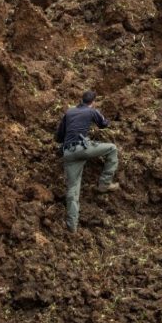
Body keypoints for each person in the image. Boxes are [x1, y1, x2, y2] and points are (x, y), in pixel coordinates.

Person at [54, 90, 119, 232]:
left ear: (81, 100)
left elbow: (58, 137)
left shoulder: (69, 112)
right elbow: (103, 124)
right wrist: (111, 119)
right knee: (112, 149)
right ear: (93, 102)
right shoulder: (92, 111)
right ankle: (104, 184)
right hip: (83, 148)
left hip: (68, 153)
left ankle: (72, 228)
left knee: (72, 190)